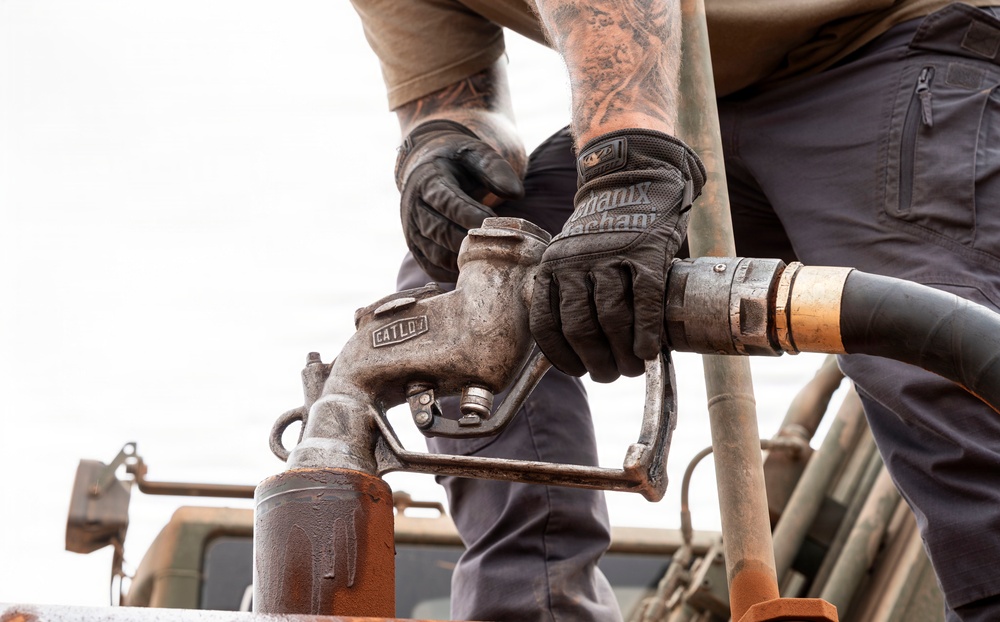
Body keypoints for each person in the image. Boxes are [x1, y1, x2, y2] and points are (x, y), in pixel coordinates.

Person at [348, 1, 1000, 620]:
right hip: (677, 97)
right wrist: (437, 148)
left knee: (939, 371)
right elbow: (459, 102)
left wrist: (626, 173)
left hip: (877, 52)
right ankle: (533, 605)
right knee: (471, 281)